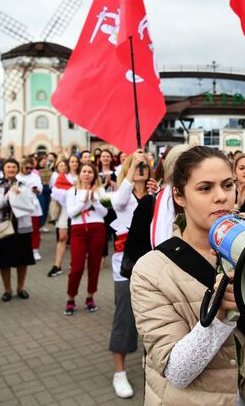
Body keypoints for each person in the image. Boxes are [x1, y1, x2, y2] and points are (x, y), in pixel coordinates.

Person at [130, 146, 245, 405]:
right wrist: (219, 315)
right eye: (205, 188)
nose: (221, 197)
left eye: (228, 184)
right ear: (179, 195)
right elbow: (177, 372)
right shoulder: (151, 270)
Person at [109, 150, 156, 398]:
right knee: (125, 318)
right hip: (125, 266)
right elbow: (117, 202)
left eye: (145, 165)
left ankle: (151, 362)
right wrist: (132, 166)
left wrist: (159, 194)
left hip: (152, 265)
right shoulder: (123, 196)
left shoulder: (155, 197)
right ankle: (119, 372)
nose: (141, 168)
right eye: (137, 166)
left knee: (153, 317)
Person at [0, 159, 35, 301]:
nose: (11, 169)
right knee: (4, 259)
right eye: (8, 167)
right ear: (3, 169)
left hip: (21, 225)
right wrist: (6, 199)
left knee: (23, 259)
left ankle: (21, 287)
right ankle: (7, 289)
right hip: (3, 225)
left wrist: (20, 196)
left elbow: (31, 204)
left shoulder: (24, 185)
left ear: (17, 169)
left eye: (14, 167)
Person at [64, 162, 108, 315]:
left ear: (94, 175)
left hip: (97, 228)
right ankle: (71, 297)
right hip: (78, 230)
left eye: (90, 171)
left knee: (94, 265)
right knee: (76, 267)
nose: (87, 174)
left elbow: (104, 213)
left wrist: (94, 201)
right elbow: (71, 213)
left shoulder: (100, 190)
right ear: (79, 173)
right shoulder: (72, 191)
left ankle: (90, 296)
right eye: (84, 171)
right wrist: (84, 202)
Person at [48, 157, 78, 277]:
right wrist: (70, 191)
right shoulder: (63, 177)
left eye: (76, 161)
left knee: (76, 238)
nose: (74, 163)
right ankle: (57, 265)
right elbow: (55, 192)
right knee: (62, 237)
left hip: (79, 210)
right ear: (68, 164)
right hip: (65, 209)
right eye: (72, 161)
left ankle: (74, 263)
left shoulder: (83, 175)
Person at [16, 158, 43, 261]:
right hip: (21, 205)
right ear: (22, 166)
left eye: (31, 168)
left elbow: (39, 189)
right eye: (27, 168)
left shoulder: (35, 176)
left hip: (33, 205)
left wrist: (36, 190)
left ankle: (35, 249)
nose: (29, 170)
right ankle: (23, 249)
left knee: (35, 229)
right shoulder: (17, 177)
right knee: (22, 229)